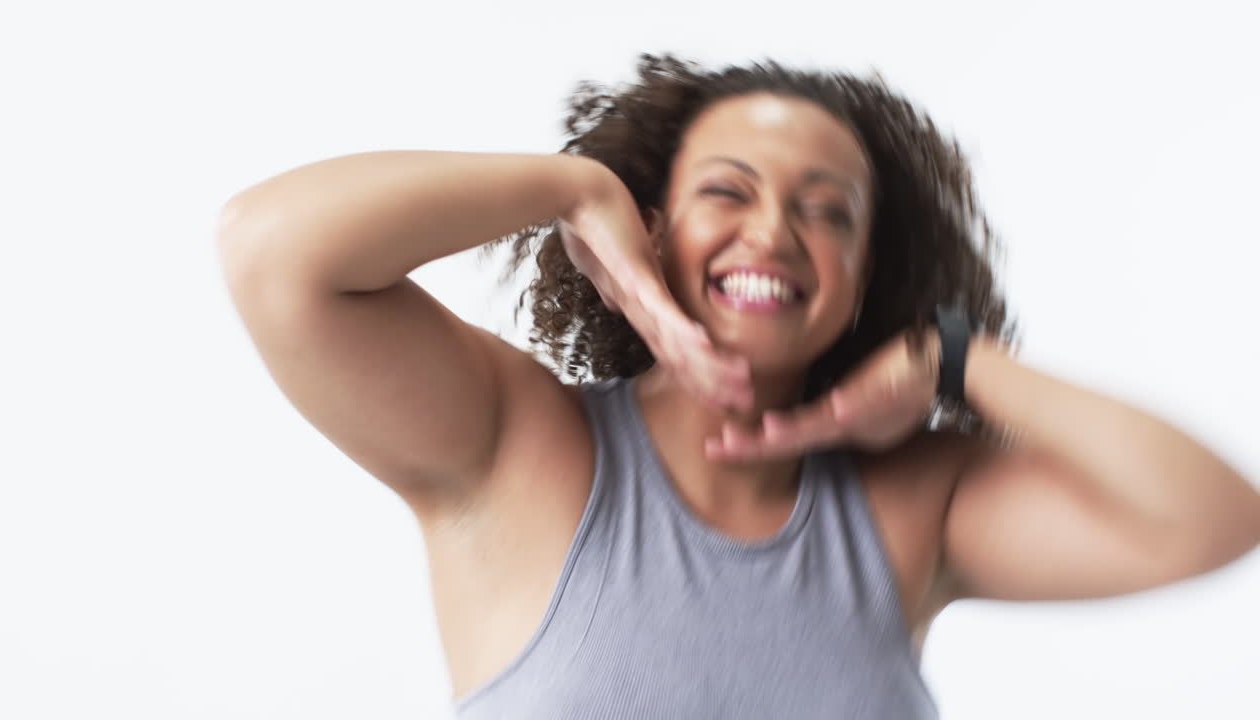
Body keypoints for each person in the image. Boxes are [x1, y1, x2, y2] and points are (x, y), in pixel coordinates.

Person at [216, 54, 1260, 718]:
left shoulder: (916, 506)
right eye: (727, 191)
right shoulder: (512, 444)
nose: (772, 231)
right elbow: (275, 253)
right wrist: (571, 188)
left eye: (826, 211)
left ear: (859, 284)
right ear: (651, 232)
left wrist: (954, 359)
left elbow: (1210, 519)